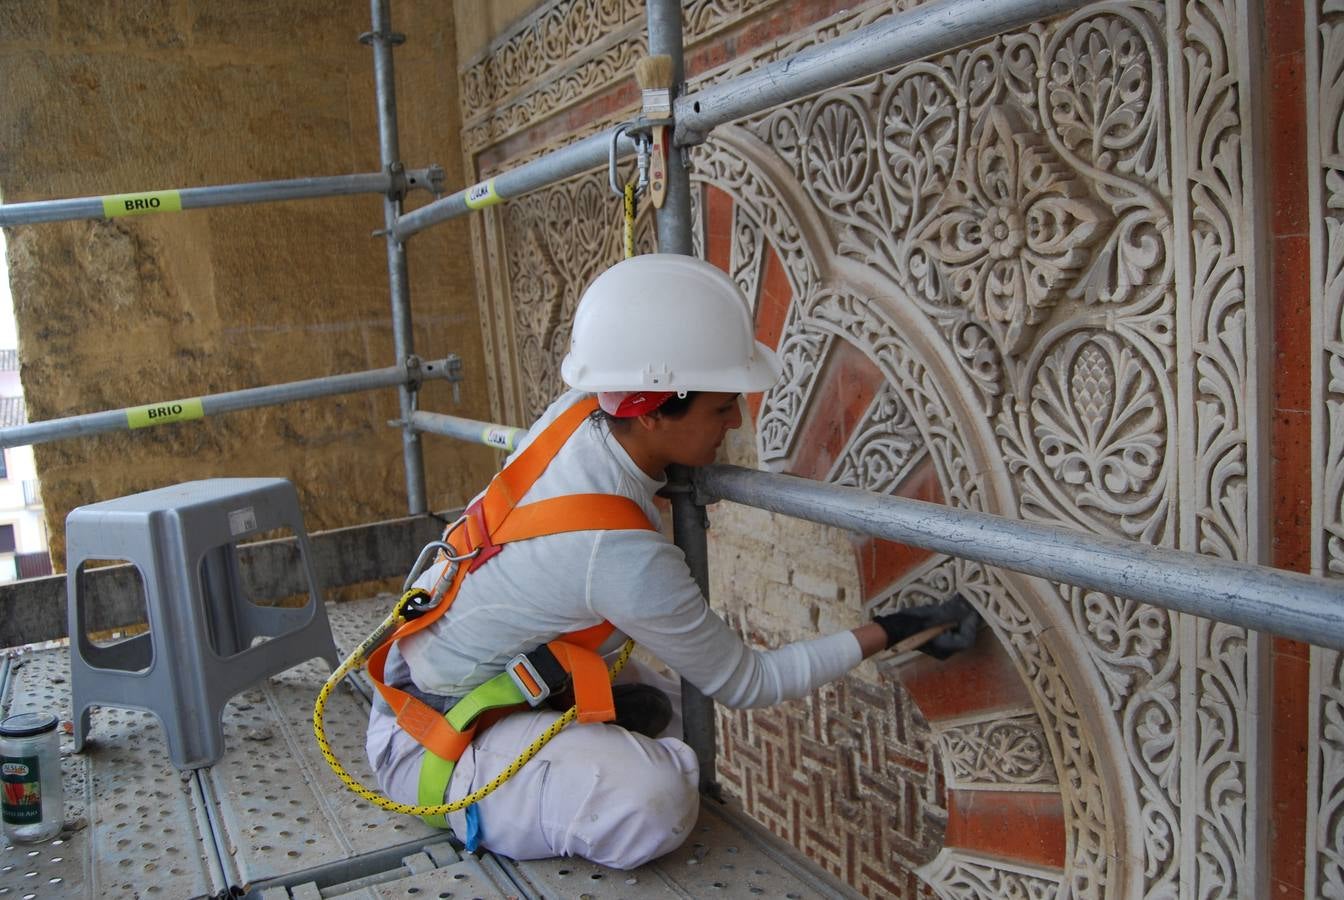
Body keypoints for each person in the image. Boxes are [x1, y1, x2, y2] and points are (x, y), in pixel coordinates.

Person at [364, 253, 977, 869]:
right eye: (719, 407)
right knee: (658, 798)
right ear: (652, 409)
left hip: (444, 675)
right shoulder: (622, 555)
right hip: (430, 743)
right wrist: (894, 630)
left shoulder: (577, 414)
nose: (735, 419)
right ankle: (524, 790)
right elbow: (749, 681)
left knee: (681, 712)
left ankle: (574, 748)